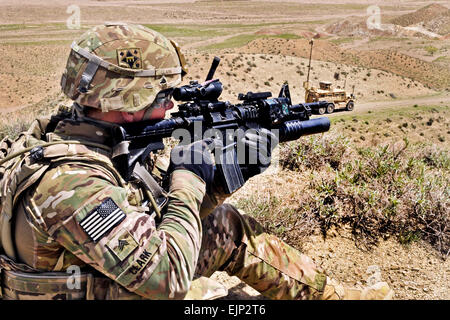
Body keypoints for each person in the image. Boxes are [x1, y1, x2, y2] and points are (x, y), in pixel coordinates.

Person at [0, 23, 393, 300]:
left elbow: (142, 215)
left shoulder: (72, 133)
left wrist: (220, 180)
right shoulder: (70, 183)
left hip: (89, 272)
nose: (171, 104)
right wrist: (188, 180)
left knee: (225, 222)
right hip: (87, 287)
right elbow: (166, 279)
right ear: (127, 98)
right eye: (161, 94)